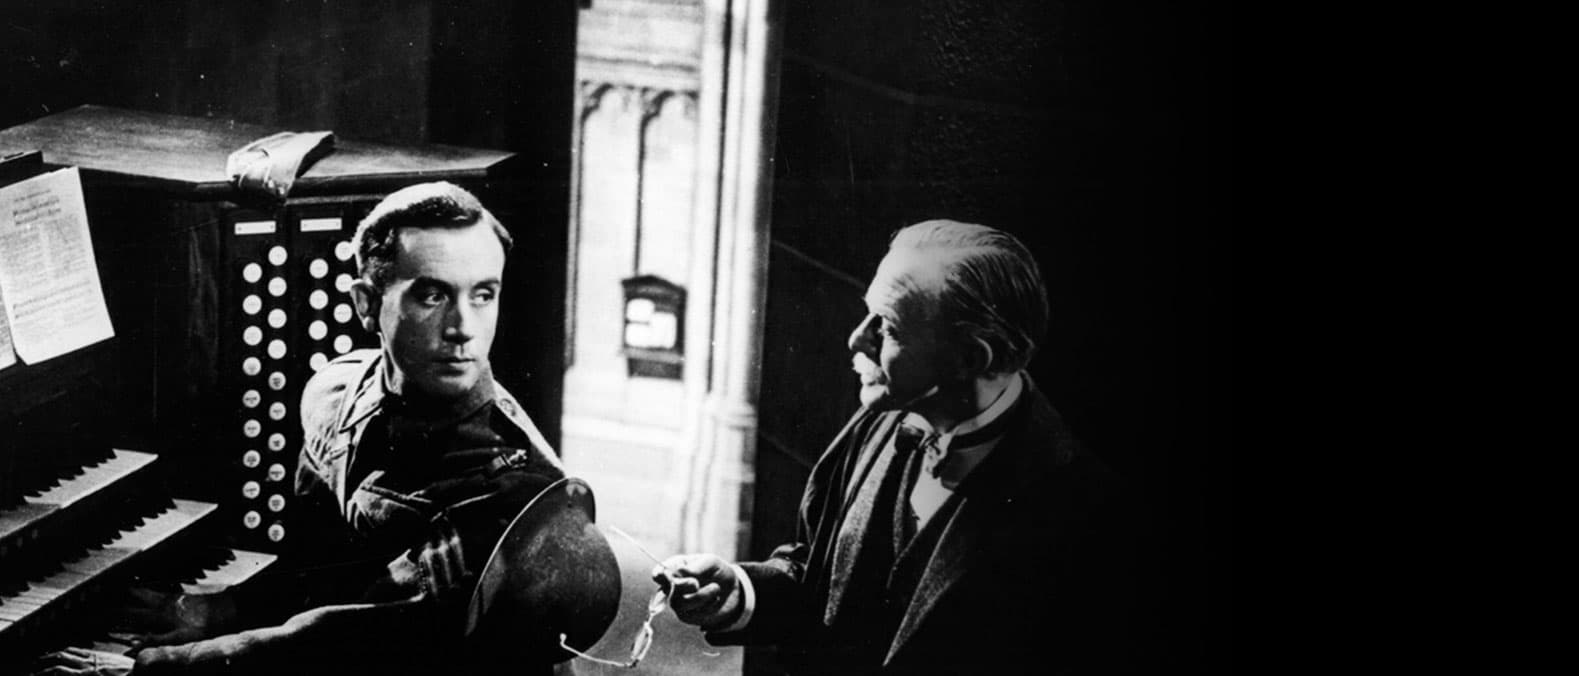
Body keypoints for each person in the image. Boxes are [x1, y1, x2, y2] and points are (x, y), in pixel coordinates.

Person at [34, 182, 575, 676]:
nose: (463, 328)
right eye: (432, 295)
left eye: (483, 294)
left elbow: (341, 639)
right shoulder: (333, 394)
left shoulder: (513, 495)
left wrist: (153, 670)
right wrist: (222, 609)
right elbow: (319, 570)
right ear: (366, 304)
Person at [652, 220, 1135, 675]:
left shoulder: (1086, 518)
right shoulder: (878, 421)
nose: (855, 339)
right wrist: (739, 592)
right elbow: (818, 575)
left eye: (887, 327)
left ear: (971, 358)